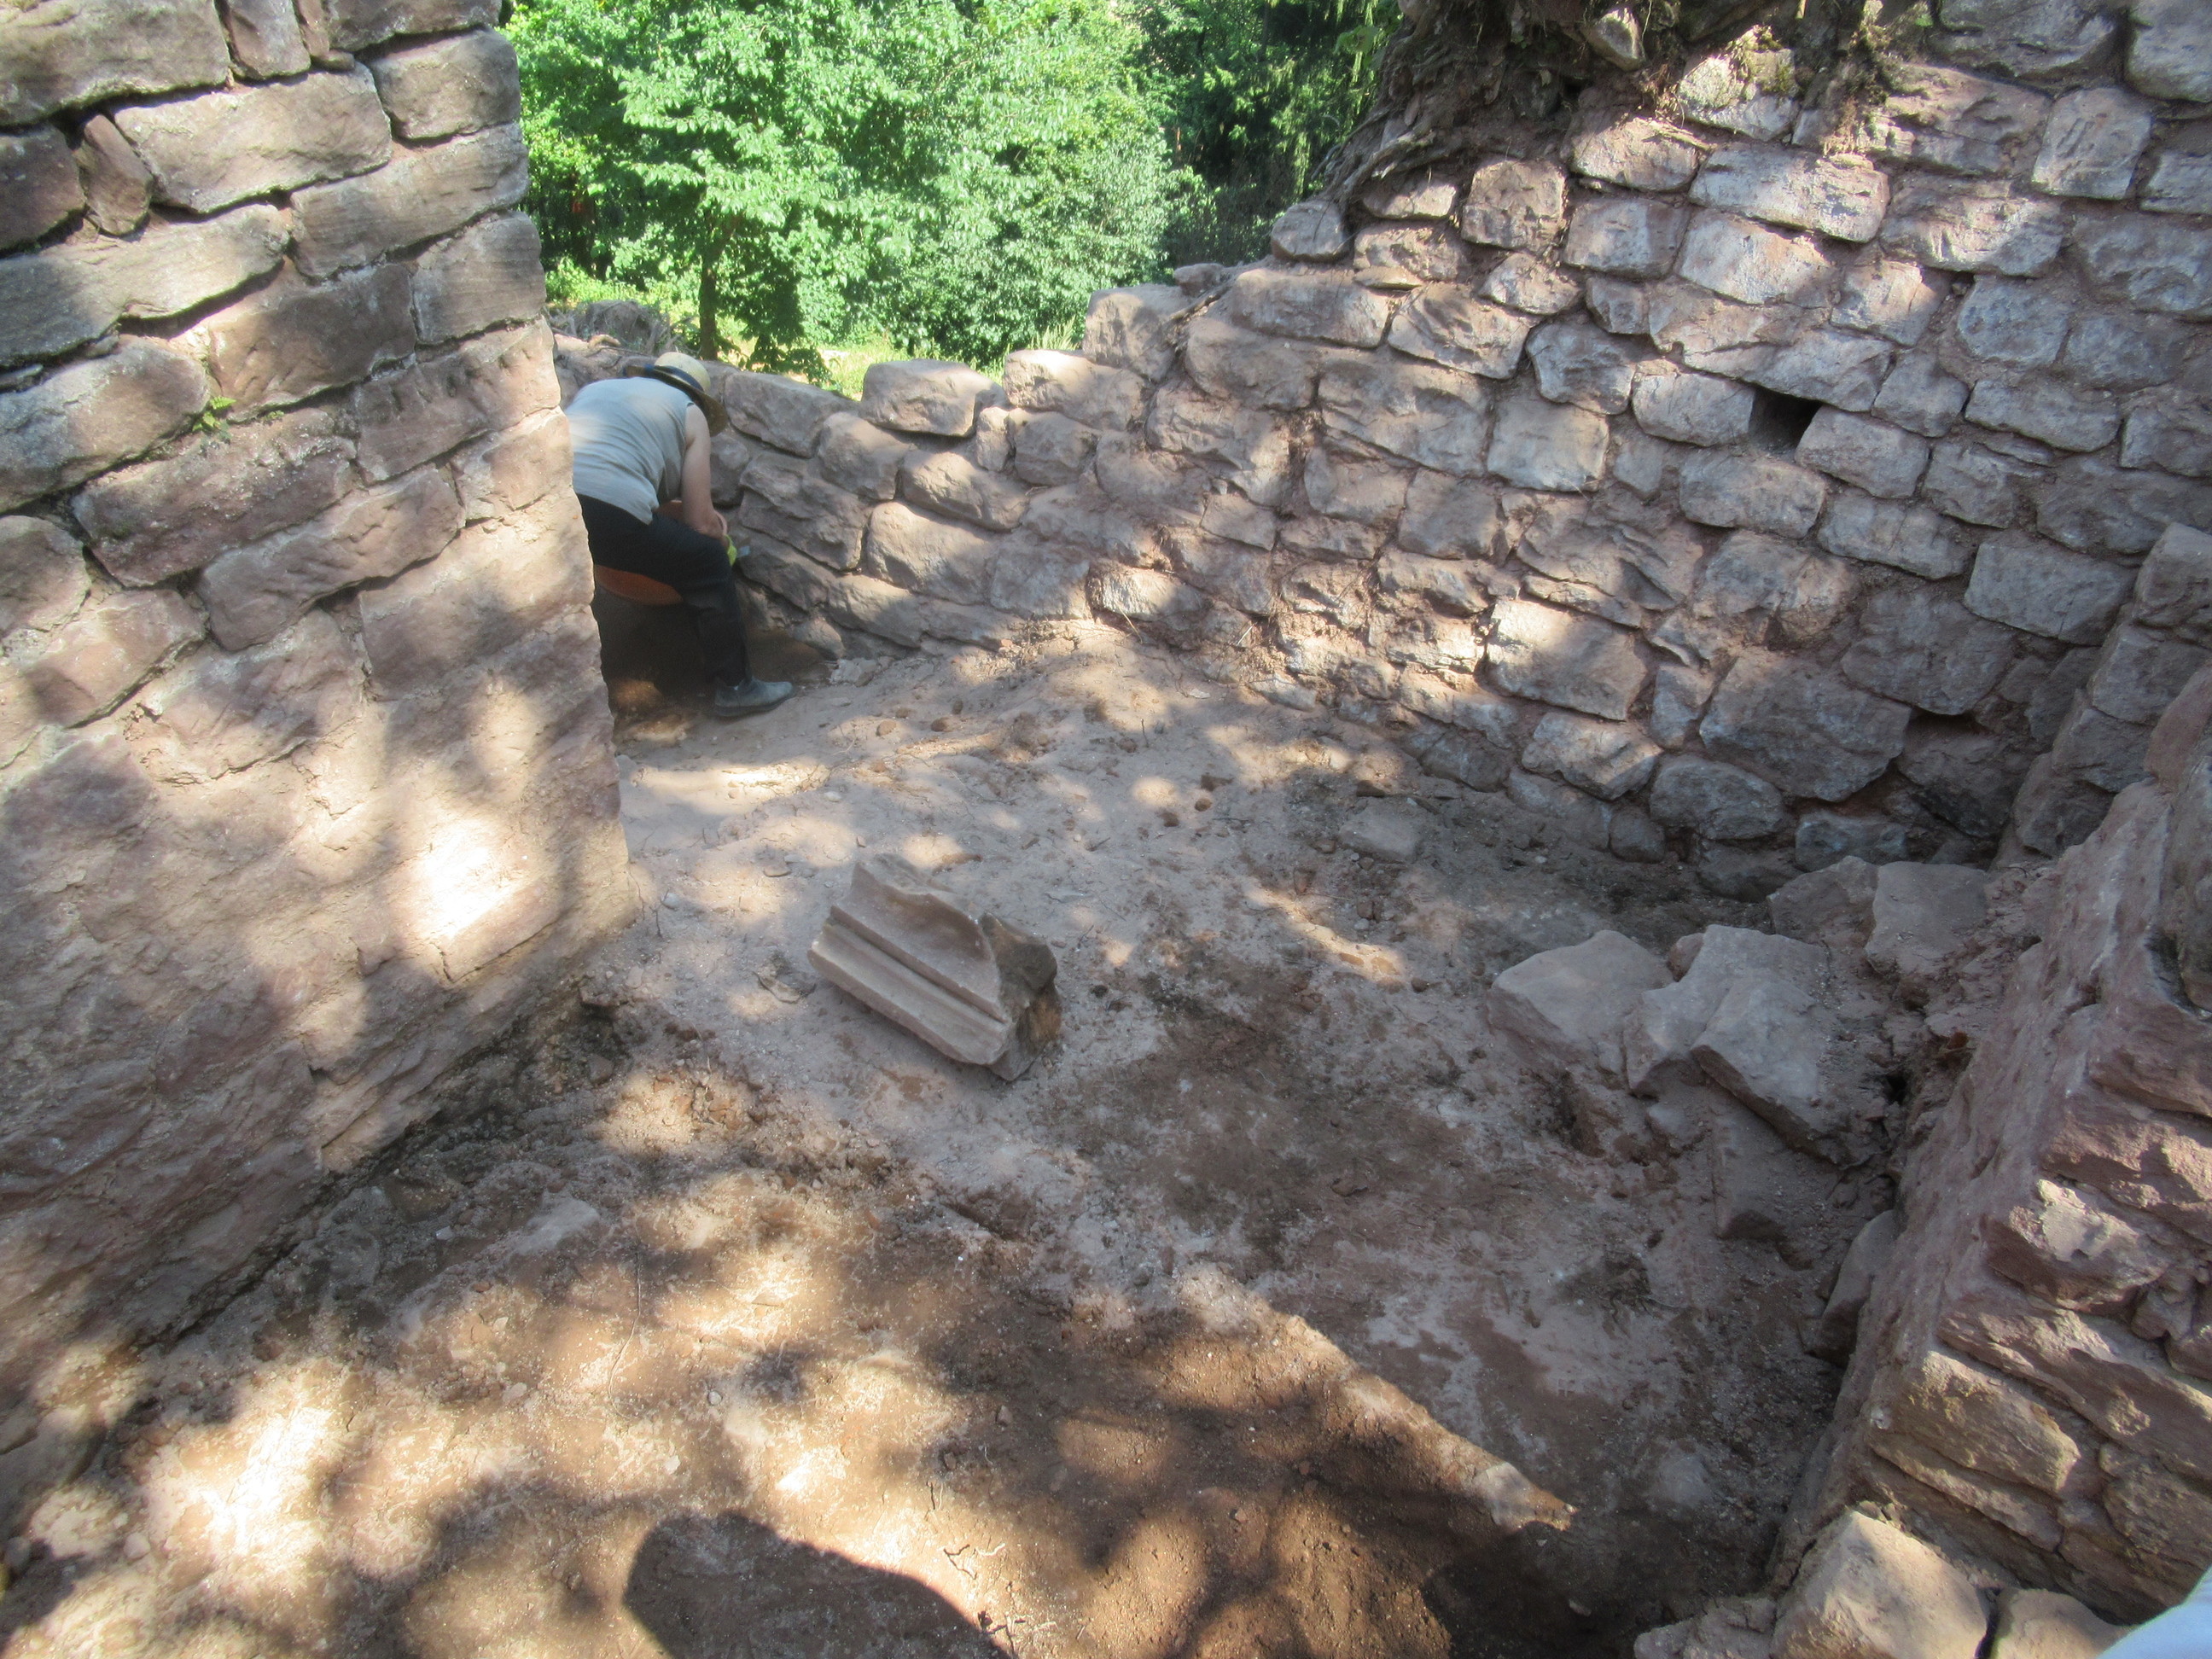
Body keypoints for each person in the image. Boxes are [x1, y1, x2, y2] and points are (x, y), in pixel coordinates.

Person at [568, 351, 795, 719]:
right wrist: (722, 543)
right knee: (707, 560)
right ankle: (737, 688)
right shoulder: (690, 414)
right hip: (611, 513)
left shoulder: (598, 389)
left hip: (555, 503)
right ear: (698, 399)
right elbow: (700, 521)